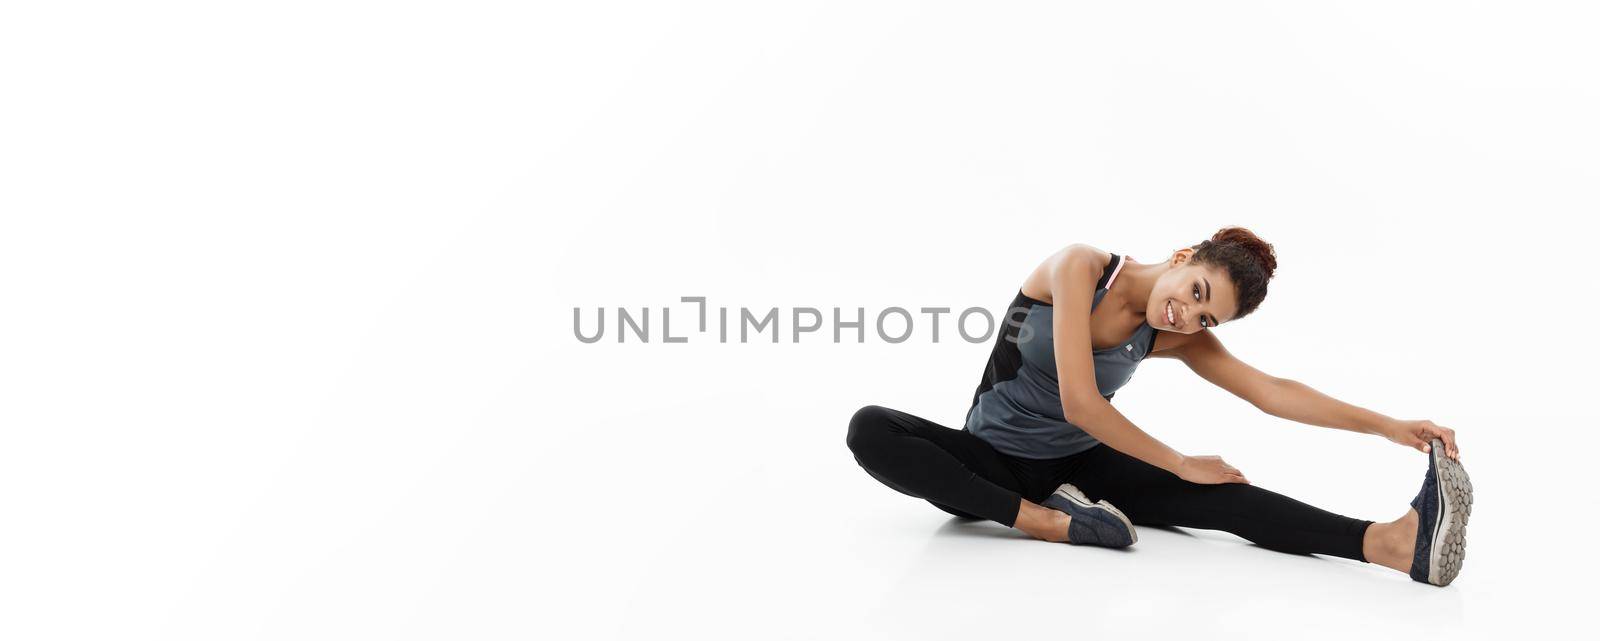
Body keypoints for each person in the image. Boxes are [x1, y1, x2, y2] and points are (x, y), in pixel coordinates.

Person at [844, 227, 1473, 586]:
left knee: (1224, 499)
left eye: (1206, 316)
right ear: (1181, 258)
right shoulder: (1078, 268)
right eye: (1196, 292)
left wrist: (1389, 425)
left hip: (1083, 468)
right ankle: (1047, 522)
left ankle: (1389, 544)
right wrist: (1176, 461)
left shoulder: (1172, 333)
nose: (1188, 316)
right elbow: (1080, 401)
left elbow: (1269, 390)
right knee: (870, 429)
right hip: (988, 463)